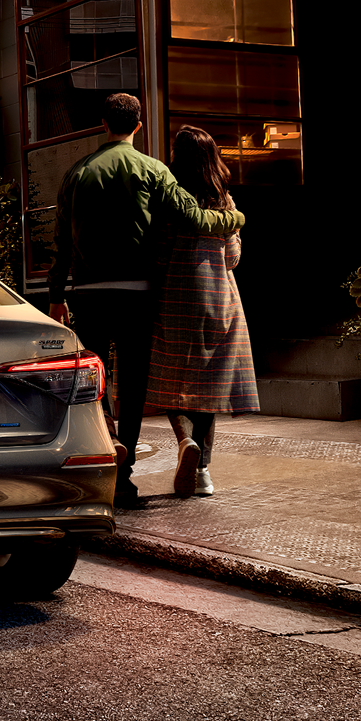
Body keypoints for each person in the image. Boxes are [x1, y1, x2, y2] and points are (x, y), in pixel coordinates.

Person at [46, 93, 246, 511]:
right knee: (133, 384)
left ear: (103, 123)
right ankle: (125, 482)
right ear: (139, 126)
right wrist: (236, 218)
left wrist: (56, 296)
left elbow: (61, 243)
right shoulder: (154, 170)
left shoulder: (76, 174)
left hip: (89, 294)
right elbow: (194, 218)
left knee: (95, 379)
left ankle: (109, 439)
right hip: (138, 292)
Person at [146, 126, 259, 498]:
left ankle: (184, 442)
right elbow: (232, 257)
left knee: (169, 380)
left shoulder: (168, 197)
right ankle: (204, 472)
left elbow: (158, 254)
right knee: (208, 386)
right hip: (219, 299)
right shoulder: (223, 199)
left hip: (175, 298)